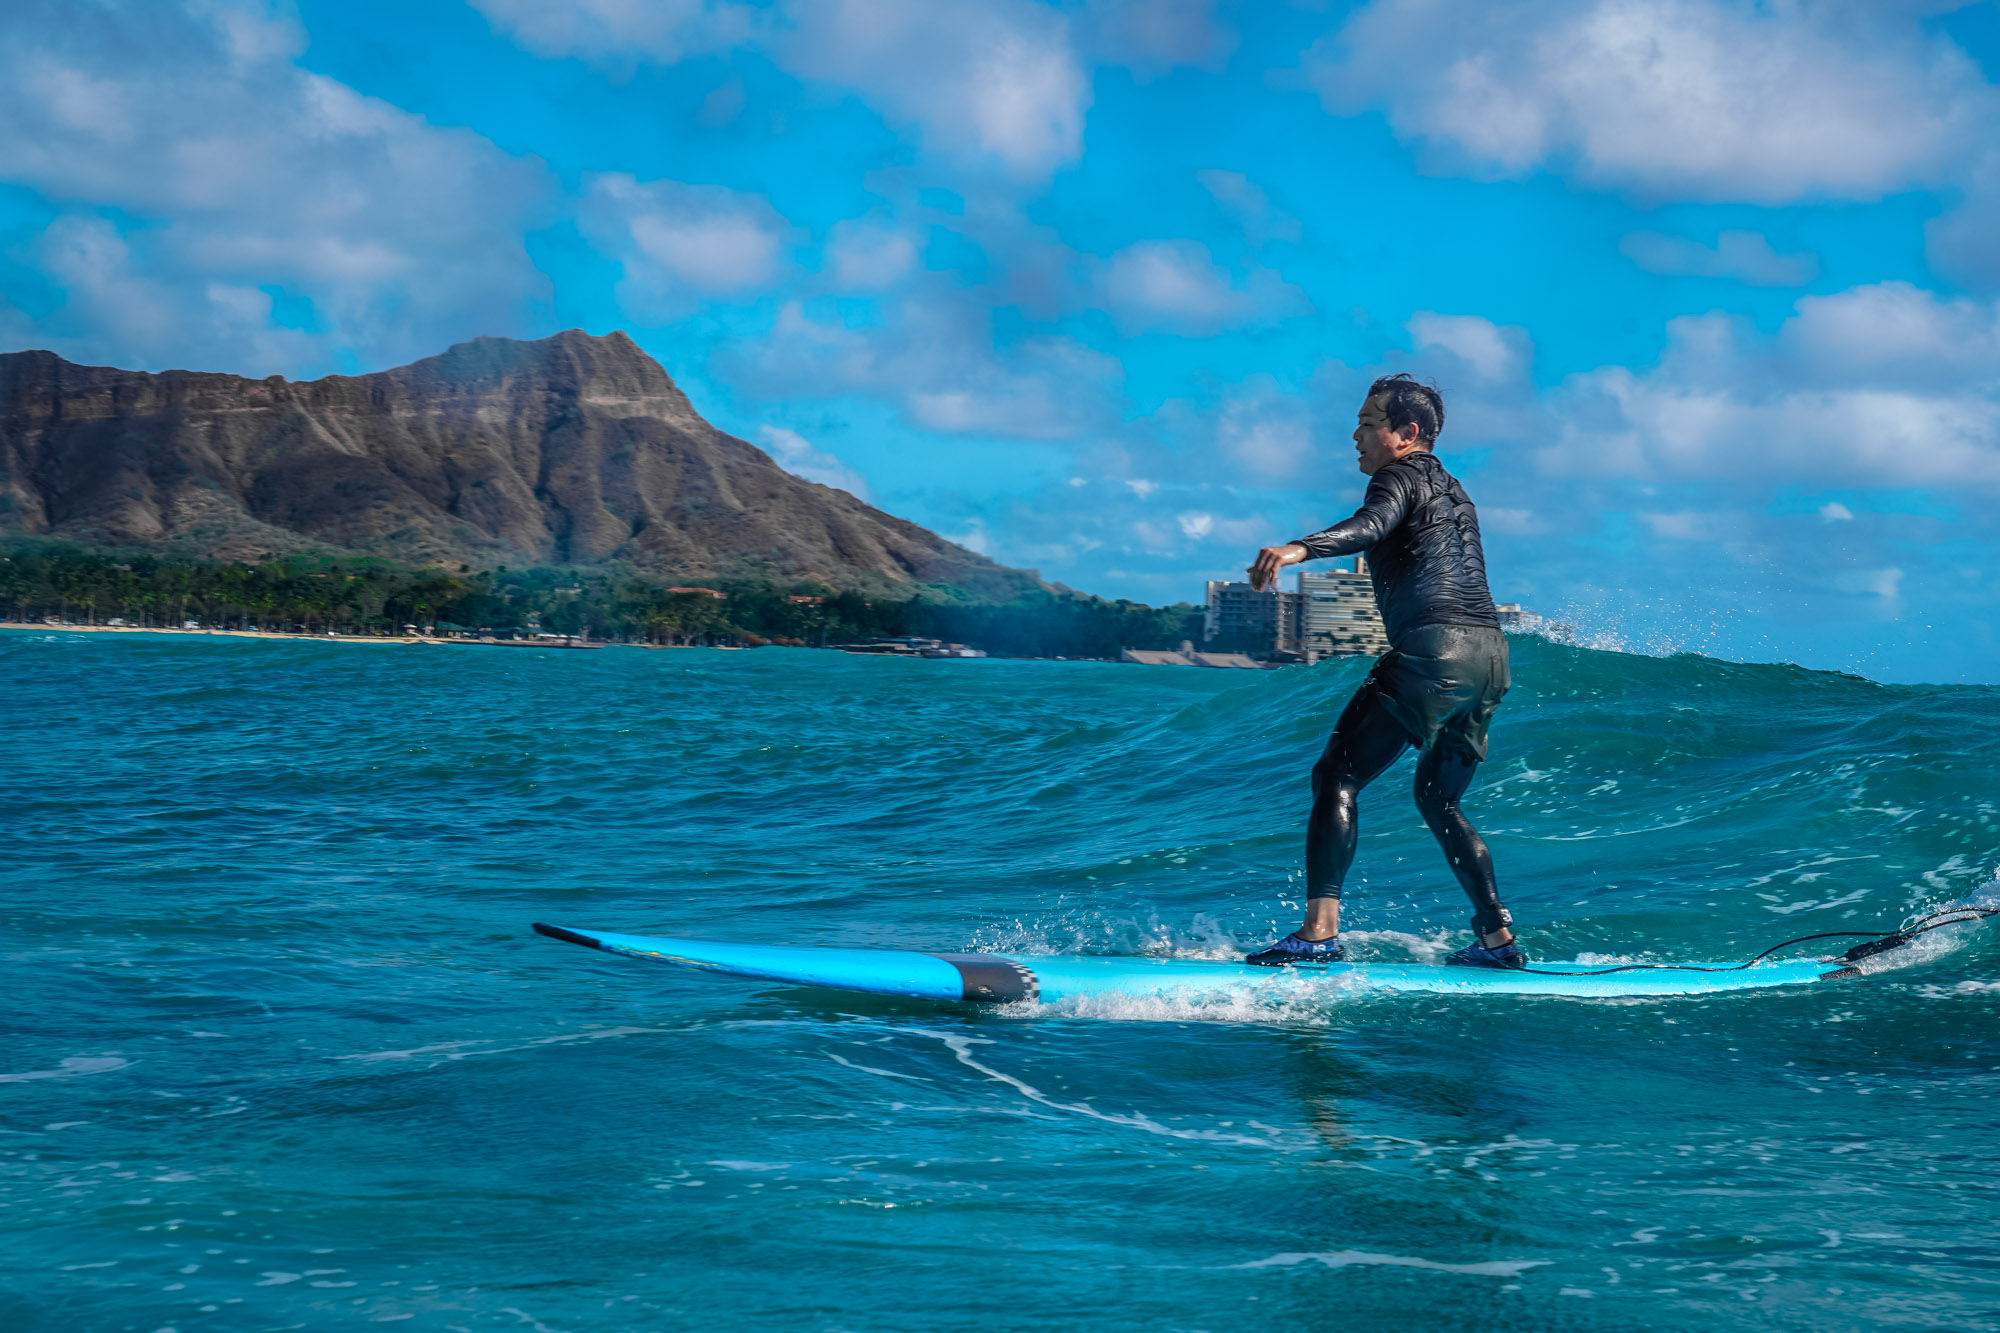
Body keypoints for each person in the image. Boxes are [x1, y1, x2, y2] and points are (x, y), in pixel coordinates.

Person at [1242, 373, 1521, 969]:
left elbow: (1371, 526)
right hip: (1489, 657)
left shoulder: (1399, 475)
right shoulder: (1456, 491)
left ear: (1406, 434)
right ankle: (1497, 940)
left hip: (1434, 651)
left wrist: (1298, 548)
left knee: (1336, 775)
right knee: (1438, 799)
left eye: (1369, 424)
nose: (1356, 436)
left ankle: (1318, 935)